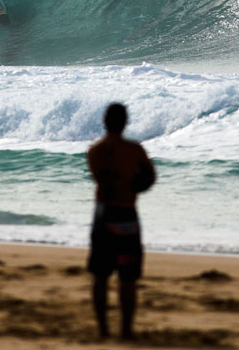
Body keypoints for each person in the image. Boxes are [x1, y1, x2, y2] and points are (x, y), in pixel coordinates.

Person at [86, 103, 156, 340]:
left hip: (103, 214)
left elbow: (101, 179)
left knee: (101, 275)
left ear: (104, 122)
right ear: (125, 122)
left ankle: (103, 330)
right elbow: (150, 177)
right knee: (127, 277)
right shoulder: (135, 150)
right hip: (127, 214)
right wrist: (133, 185)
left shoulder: (94, 151)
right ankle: (126, 331)